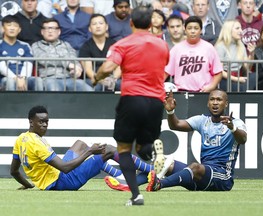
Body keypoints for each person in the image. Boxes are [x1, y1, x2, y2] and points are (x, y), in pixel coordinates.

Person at [93, 6, 169, 206]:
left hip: (132, 99)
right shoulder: (162, 46)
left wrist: (96, 77)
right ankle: (153, 151)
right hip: (155, 102)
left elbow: (108, 67)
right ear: (152, 24)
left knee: (124, 149)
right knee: (143, 147)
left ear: (131, 23)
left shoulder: (124, 44)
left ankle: (136, 196)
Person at [10, 105, 158, 191]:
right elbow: (65, 168)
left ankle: (119, 174)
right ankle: (152, 170)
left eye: (46, 122)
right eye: (41, 122)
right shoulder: (37, 143)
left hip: (55, 176)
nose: (45, 125)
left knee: (79, 143)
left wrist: (28, 185)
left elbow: (14, 171)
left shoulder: (21, 139)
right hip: (63, 182)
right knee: (110, 149)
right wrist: (90, 152)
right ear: (31, 122)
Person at [146, 89, 247, 192]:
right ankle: (131, 185)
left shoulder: (236, 123)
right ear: (208, 103)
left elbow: (243, 139)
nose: (215, 103)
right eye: (212, 99)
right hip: (202, 176)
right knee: (164, 163)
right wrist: (170, 112)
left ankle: (159, 184)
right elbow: (175, 125)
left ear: (226, 104)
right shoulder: (202, 121)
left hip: (222, 178)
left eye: (219, 100)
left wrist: (233, 128)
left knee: (195, 167)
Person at [31, 18, 93, 91]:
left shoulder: (66, 45)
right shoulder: (36, 45)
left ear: (59, 31)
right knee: (55, 92)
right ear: (42, 32)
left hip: (69, 78)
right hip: (49, 78)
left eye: (53, 28)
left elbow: (74, 59)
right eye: (47, 28)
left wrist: (77, 69)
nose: (50, 31)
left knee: (88, 90)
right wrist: (68, 64)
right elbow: (44, 59)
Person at [164, 16, 223, 92]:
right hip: (182, 92)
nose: (192, 31)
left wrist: (212, 86)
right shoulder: (176, 49)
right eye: (189, 28)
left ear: (201, 30)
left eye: (196, 28)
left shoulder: (209, 48)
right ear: (185, 30)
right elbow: (166, 72)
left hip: (203, 92)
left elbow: (218, 72)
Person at [79, 14, 121, 91]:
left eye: (101, 23)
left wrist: (113, 79)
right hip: (94, 79)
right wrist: (101, 80)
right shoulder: (85, 47)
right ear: (89, 29)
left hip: (113, 78)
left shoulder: (114, 44)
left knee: (121, 84)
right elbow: (88, 70)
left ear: (106, 27)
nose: (98, 26)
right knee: (97, 87)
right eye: (94, 24)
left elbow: (120, 66)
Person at [0, 15, 43, 91]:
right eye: (9, 25)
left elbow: (28, 64)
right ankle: (11, 103)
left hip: (23, 78)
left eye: (15, 26)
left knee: (37, 80)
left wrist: (22, 78)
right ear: (3, 28)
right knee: (10, 82)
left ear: (19, 30)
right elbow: (2, 67)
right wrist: (16, 78)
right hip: (5, 79)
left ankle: (39, 103)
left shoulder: (25, 45)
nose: (12, 28)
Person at [215, 19, 251, 92]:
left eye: (241, 28)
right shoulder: (220, 46)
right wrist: (237, 79)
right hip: (224, 79)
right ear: (228, 30)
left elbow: (247, 67)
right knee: (240, 88)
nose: (241, 31)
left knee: (255, 77)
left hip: (238, 76)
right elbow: (219, 71)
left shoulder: (241, 45)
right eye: (237, 28)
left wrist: (251, 53)